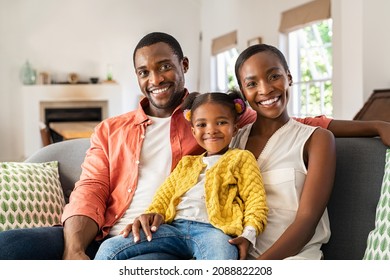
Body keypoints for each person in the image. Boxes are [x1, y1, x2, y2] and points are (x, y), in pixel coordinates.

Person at [0, 31, 388, 260]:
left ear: (183, 64)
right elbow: (90, 189)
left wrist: (372, 124)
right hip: (106, 233)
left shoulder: (212, 117)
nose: (156, 78)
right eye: (144, 72)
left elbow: (285, 119)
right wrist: (73, 248)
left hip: (176, 236)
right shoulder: (111, 130)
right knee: (10, 245)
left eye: (165, 66)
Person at [94, 91, 268, 260]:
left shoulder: (241, 158)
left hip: (215, 231)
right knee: (109, 248)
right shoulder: (187, 163)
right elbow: (164, 196)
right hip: (173, 229)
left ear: (235, 128)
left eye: (221, 122)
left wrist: (249, 234)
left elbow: (255, 200)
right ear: (193, 131)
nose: (211, 130)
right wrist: (151, 214)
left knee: (222, 258)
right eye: (202, 124)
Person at [228, 43, 336, 259]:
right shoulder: (233, 141)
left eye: (273, 76)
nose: (265, 89)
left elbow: (307, 221)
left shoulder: (317, 140)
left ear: (289, 77)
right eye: (252, 83)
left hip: (293, 260)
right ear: (243, 92)